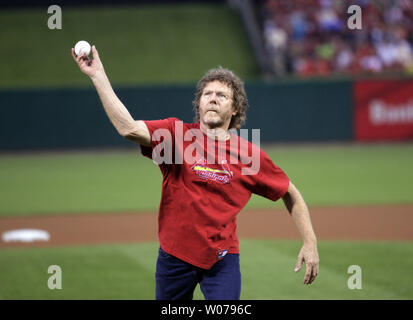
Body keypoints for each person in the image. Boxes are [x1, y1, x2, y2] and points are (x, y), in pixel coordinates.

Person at [71, 45, 319, 300]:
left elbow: (291, 194)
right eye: (207, 94)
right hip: (174, 258)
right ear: (199, 103)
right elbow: (128, 129)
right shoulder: (176, 136)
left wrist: (310, 243)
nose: (212, 98)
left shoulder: (248, 155)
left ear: (235, 109)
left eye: (221, 95)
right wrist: (98, 75)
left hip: (222, 260)